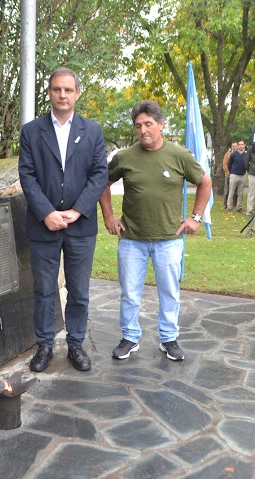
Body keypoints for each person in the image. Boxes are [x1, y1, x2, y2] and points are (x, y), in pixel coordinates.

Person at [99, 100, 212, 362]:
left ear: (161, 124)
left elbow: (205, 182)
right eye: (138, 126)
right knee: (129, 293)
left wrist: (195, 217)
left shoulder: (179, 155)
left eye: (148, 124)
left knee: (170, 292)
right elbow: (103, 183)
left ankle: (168, 338)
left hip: (169, 239)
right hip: (131, 239)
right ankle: (130, 338)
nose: (143, 130)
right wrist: (108, 216)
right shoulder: (124, 157)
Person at [18, 67, 108, 373]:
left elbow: (99, 175)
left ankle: (75, 344)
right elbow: (27, 176)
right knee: (43, 289)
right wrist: (46, 213)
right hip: (43, 225)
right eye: (57, 89)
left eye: (68, 90)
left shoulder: (92, 131)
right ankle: (44, 345)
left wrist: (79, 209)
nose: (63, 95)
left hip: (80, 226)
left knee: (79, 289)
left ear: (77, 94)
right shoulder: (32, 131)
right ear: (49, 92)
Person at [227, 140, 247, 212]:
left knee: (240, 193)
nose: (241, 146)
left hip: (243, 175)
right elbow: (229, 164)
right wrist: (231, 172)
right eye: (239, 144)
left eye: (242, 144)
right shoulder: (233, 154)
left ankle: (239, 207)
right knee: (231, 192)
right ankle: (229, 207)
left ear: (244, 145)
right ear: (237, 146)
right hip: (234, 175)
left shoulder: (246, 154)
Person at [244, 139, 255, 216]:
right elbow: (246, 161)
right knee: (251, 193)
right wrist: (250, 170)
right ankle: (249, 210)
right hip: (253, 173)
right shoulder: (251, 148)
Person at [221, 142, 233, 209]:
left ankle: (233, 204)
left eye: (235, 146)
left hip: (235, 175)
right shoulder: (227, 155)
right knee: (227, 190)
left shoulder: (236, 154)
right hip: (228, 175)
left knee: (234, 191)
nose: (234, 147)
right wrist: (228, 172)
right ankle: (225, 204)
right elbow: (224, 164)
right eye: (232, 146)